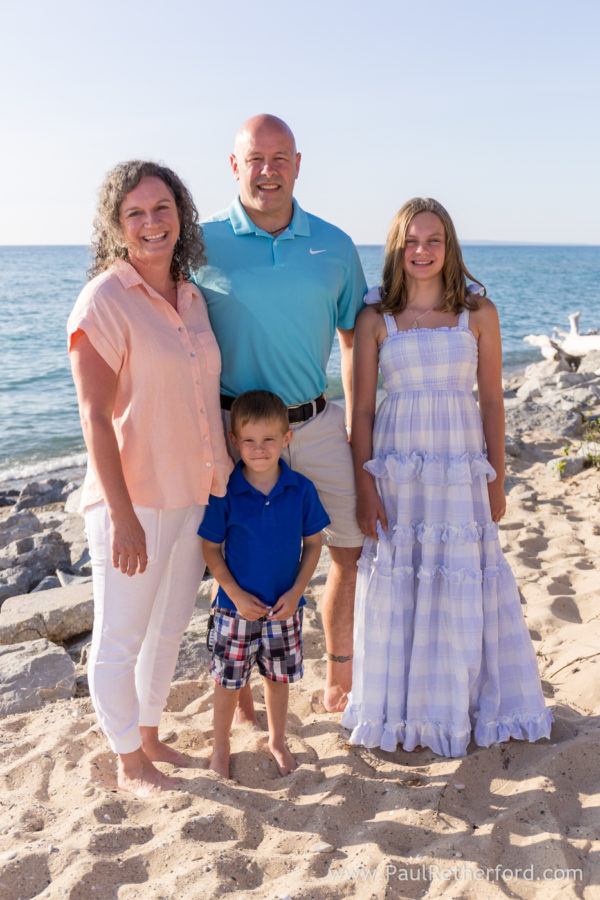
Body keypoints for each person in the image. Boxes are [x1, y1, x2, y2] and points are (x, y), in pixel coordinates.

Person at [342, 198, 553, 757]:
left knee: (460, 573)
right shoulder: (374, 318)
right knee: (403, 573)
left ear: (450, 246)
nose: (422, 251)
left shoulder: (477, 314)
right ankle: (404, 706)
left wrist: (497, 476)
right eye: (411, 241)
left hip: (459, 463)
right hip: (398, 466)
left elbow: (490, 401)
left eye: (433, 240)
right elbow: (362, 410)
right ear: (396, 248)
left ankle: (456, 703)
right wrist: (365, 484)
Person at [68, 161, 232, 796]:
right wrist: (124, 516)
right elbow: (93, 417)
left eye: (162, 208)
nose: (151, 222)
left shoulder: (190, 297)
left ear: (180, 215)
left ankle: (152, 732)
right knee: (119, 637)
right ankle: (129, 760)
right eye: (135, 213)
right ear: (116, 225)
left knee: (169, 627)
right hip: (132, 499)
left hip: (195, 489)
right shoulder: (104, 301)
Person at [194, 114, 367, 715]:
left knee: (346, 547)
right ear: (234, 166)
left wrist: (354, 420)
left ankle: (339, 673)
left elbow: (353, 336)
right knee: (237, 553)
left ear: (298, 163)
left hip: (316, 426)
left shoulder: (335, 244)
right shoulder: (198, 241)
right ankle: (239, 690)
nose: (268, 171)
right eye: (255, 159)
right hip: (233, 432)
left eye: (280, 158)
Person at [199, 391, 330, 777]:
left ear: (286, 439)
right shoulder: (225, 492)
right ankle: (220, 748)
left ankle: (276, 739)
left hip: (283, 608)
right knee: (227, 683)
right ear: (234, 442)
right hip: (233, 608)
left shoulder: (300, 489)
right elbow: (210, 549)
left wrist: (297, 592)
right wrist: (236, 595)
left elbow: (314, 543)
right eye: (249, 441)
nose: (259, 449)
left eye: (269, 440)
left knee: (277, 679)